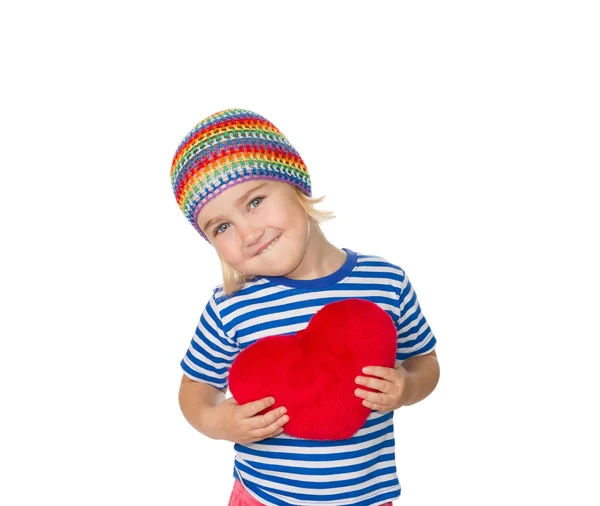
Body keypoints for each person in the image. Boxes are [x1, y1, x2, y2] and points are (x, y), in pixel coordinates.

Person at [171, 109, 440, 506]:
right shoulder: (231, 308)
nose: (249, 232)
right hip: (263, 498)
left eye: (255, 201)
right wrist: (218, 421)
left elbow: (425, 361)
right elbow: (194, 388)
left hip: (366, 498)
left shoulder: (385, 281)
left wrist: (409, 387)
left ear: (296, 184)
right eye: (221, 227)